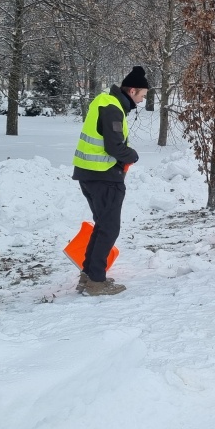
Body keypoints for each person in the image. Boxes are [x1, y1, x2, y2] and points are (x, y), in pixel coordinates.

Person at [71, 65, 149, 296]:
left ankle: (89, 275)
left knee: (103, 226)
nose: (142, 101)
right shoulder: (113, 108)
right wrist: (133, 155)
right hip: (104, 176)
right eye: (142, 96)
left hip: (89, 174)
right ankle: (96, 281)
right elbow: (113, 146)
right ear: (132, 90)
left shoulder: (104, 101)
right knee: (109, 228)